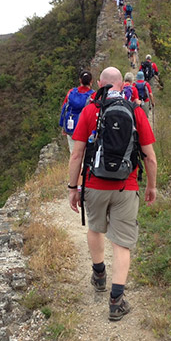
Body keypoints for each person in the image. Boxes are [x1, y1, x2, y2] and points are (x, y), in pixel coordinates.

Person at [67, 67, 157, 321]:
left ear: (100, 84)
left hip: (94, 184)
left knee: (95, 228)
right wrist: (151, 186)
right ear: (122, 85)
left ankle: (99, 275)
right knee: (122, 243)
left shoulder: (90, 110)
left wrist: (73, 188)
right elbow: (150, 157)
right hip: (126, 187)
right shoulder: (135, 111)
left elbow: (76, 154)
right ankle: (116, 301)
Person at [59, 71, 95, 153]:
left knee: (73, 153)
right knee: (85, 153)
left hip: (70, 127)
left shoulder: (71, 92)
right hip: (85, 129)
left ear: (80, 80)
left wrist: (63, 126)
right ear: (91, 81)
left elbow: (64, 108)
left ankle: (74, 165)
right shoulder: (93, 96)